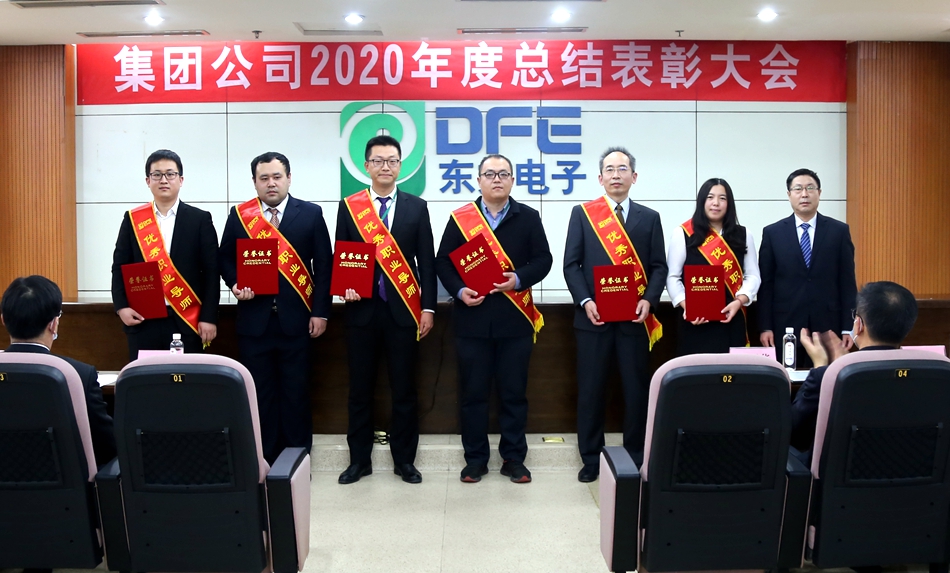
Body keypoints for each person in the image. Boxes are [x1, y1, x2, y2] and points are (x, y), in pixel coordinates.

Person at [435, 154, 552, 484]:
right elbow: (443, 262)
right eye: (490, 174)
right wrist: (459, 291)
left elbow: (543, 259)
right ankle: (475, 460)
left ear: (513, 180)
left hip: (515, 322)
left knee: (513, 394)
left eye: (503, 174)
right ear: (479, 181)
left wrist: (518, 278)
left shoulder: (528, 217)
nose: (496, 179)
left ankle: (514, 459)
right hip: (472, 321)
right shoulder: (461, 219)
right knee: (473, 395)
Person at [335, 135, 437, 484]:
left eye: (392, 160)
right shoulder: (350, 206)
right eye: (378, 161)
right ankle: (359, 461)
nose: (385, 167)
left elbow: (427, 261)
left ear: (400, 166)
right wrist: (344, 286)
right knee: (359, 390)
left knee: (404, 390)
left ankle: (404, 461)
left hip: (404, 311)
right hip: (361, 311)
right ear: (366, 166)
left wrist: (428, 308)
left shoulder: (416, 207)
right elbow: (342, 255)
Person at [219, 152, 332, 464]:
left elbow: (324, 265)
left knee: (296, 393)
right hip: (254, 323)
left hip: (298, 321)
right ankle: (265, 460)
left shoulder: (310, 213)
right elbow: (225, 258)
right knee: (260, 394)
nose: (271, 183)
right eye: (264, 178)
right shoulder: (240, 215)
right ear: (255, 182)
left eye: (277, 177)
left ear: (289, 178)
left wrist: (320, 311)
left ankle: (297, 462)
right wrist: (235, 283)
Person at [563, 147, 668, 482]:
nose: (616, 175)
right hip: (593, 319)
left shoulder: (649, 218)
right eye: (609, 169)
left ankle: (636, 457)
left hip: (634, 320)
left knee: (635, 391)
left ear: (633, 176)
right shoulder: (583, 214)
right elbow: (571, 264)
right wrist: (585, 301)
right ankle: (591, 459)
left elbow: (659, 266)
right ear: (600, 178)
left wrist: (649, 300)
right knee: (591, 390)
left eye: (622, 169)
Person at [110, 149, 220, 360]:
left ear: (181, 179)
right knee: (147, 377)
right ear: (148, 181)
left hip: (187, 319)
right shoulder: (133, 219)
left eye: (170, 174)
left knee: (185, 377)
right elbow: (119, 266)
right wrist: (121, 307)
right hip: (143, 319)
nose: (163, 180)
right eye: (157, 174)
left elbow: (212, 272)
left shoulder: (199, 220)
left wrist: (209, 317)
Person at [791, 281, 918, 463]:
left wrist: (820, 367)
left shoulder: (827, 375)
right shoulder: (933, 375)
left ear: (859, 325)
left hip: (840, 477)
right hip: (914, 476)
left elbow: (794, 432)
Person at [2, 275, 116, 467]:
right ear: (53, 324)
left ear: (3, 320)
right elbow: (107, 447)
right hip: (63, 484)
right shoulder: (80, 374)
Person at [758, 168, 857, 368]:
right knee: (789, 378)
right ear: (789, 194)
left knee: (828, 377)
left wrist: (848, 327)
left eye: (810, 188)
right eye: (798, 189)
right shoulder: (773, 233)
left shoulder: (838, 231)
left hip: (829, 325)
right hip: (786, 324)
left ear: (819, 193)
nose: (804, 194)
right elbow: (766, 285)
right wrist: (765, 327)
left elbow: (847, 282)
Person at [666, 178, 760, 354]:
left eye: (722, 198)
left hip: (731, 318)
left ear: (729, 203)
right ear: (702, 201)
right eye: (710, 197)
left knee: (731, 369)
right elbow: (672, 277)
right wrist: (688, 306)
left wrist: (739, 301)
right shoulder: (683, 233)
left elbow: (753, 275)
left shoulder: (743, 234)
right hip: (694, 322)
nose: (716, 203)